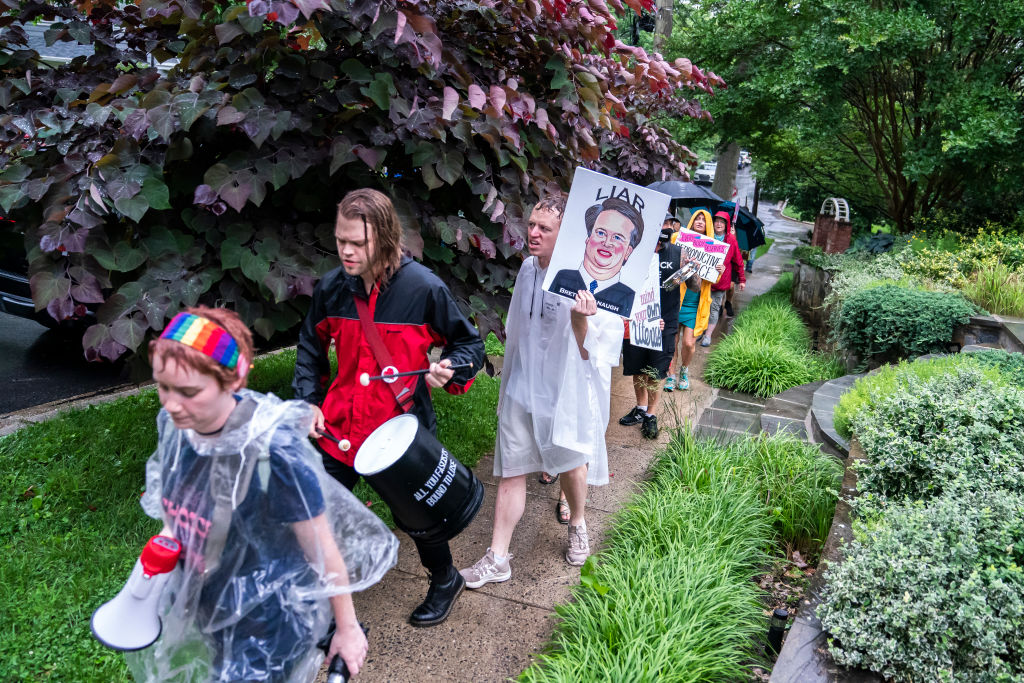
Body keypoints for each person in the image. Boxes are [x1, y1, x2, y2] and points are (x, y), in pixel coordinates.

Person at [128, 307, 398, 682]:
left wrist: (347, 629)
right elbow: (181, 510)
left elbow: (321, 545)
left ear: (232, 380)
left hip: (271, 619)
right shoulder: (180, 428)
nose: (171, 403)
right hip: (211, 603)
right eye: (163, 386)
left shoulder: (274, 453)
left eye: (189, 392)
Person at [293, 189, 485, 628]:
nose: (345, 250)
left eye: (357, 243)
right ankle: (324, 603)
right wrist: (308, 402)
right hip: (340, 425)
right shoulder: (332, 288)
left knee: (419, 518)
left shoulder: (423, 288)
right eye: (340, 239)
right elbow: (309, 347)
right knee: (315, 513)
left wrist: (451, 367)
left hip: (400, 428)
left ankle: (444, 578)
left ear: (383, 237)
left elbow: (469, 343)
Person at [460, 192, 622, 587]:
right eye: (531, 224)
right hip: (522, 387)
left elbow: (596, 354)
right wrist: (506, 389)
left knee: (571, 466)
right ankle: (498, 557)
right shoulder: (528, 270)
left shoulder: (587, 280)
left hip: (563, 393)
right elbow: (515, 331)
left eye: (543, 228)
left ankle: (579, 523)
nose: (532, 233)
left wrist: (582, 320)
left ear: (563, 234)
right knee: (512, 469)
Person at [618, 220, 686, 439]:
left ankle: (651, 415)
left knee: (655, 373)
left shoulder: (677, 252)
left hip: (666, 322)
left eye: (666, 227)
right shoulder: (633, 252)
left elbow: (692, 285)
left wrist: (691, 269)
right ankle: (640, 408)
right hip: (637, 320)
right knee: (637, 368)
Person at [549, 196, 644, 316]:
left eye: (617, 237)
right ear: (588, 238)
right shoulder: (561, 278)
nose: (607, 242)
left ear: (628, 251)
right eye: (601, 233)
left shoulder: (630, 298)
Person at [664, 210, 723, 391]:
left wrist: (719, 271)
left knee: (689, 344)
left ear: (708, 226)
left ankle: (684, 370)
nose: (699, 222)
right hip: (676, 300)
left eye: (703, 220)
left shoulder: (715, 248)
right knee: (672, 342)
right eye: (696, 218)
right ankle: (670, 375)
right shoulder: (678, 239)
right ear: (691, 221)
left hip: (695, 304)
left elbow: (714, 281)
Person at [701, 210, 745, 346]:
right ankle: (700, 331)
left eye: (722, 222)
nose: (719, 224)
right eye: (717, 221)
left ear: (726, 225)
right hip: (703, 280)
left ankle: (708, 335)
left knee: (714, 308)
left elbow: (738, 260)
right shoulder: (707, 235)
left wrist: (742, 280)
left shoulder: (731, 240)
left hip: (720, 281)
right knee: (701, 307)